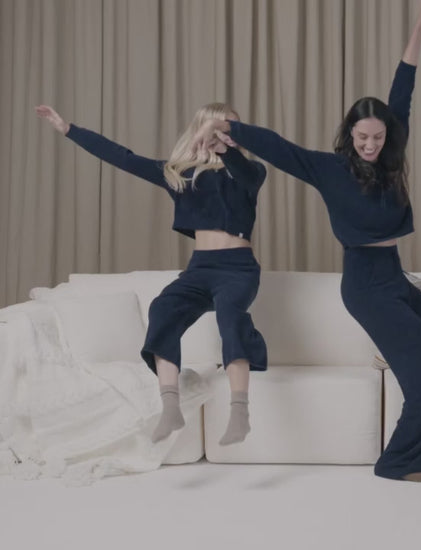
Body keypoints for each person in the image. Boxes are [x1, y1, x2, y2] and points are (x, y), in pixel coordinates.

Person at [192, 0, 421, 482]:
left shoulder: (390, 156)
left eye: (378, 137)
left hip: (394, 276)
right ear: (350, 132)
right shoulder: (329, 168)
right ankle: (398, 462)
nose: (371, 144)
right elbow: (279, 147)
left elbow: (402, 88)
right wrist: (225, 127)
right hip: (365, 285)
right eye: (363, 137)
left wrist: (419, 28)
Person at [35, 102, 268, 446]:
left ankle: (240, 413)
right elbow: (122, 157)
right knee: (163, 308)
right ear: (201, 130)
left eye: (232, 128)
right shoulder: (178, 174)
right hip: (201, 268)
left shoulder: (250, 172)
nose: (228, 135)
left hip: (238, 268)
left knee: (230, 317)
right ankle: (170, 406)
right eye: (221, 127)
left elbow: (243, 170)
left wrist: (223, 146)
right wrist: (69, 129)